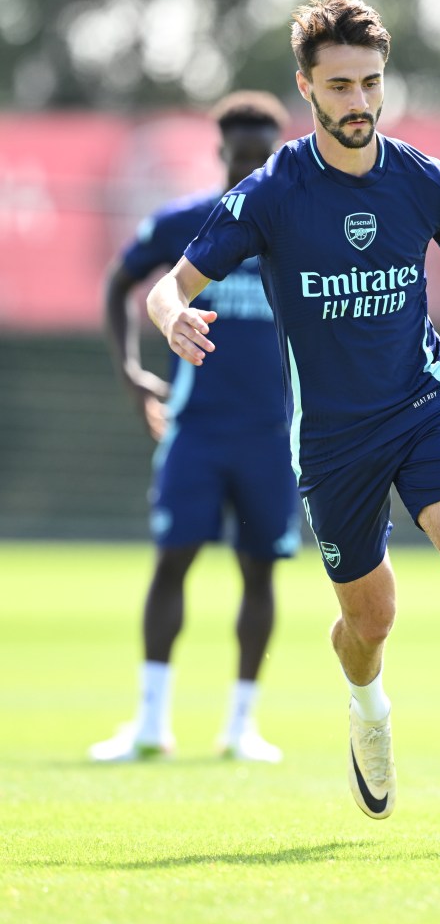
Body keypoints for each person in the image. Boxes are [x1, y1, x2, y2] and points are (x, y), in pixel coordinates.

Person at [145, 0, 440, 840]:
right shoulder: (270, 194)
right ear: (307, 88)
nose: (359, 102)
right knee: (368, 622)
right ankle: (367, 706)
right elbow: (174, 281)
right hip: (332, 442)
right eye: (340, 85)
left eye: (371, 83)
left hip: (425, 409)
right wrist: (174, 319)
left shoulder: (423, 181)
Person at [90, 92, 300, 764]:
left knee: (260, 572)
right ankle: (151, 722)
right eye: (241, 157)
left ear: (277, 155)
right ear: (220, 155)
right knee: (172, 561)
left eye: (262, 158)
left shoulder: (299, 229)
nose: (250, 169)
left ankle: (241, 725)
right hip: (197, 429)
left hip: (271, 433)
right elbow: (119, 282)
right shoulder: (184, 223)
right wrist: (128, 370)